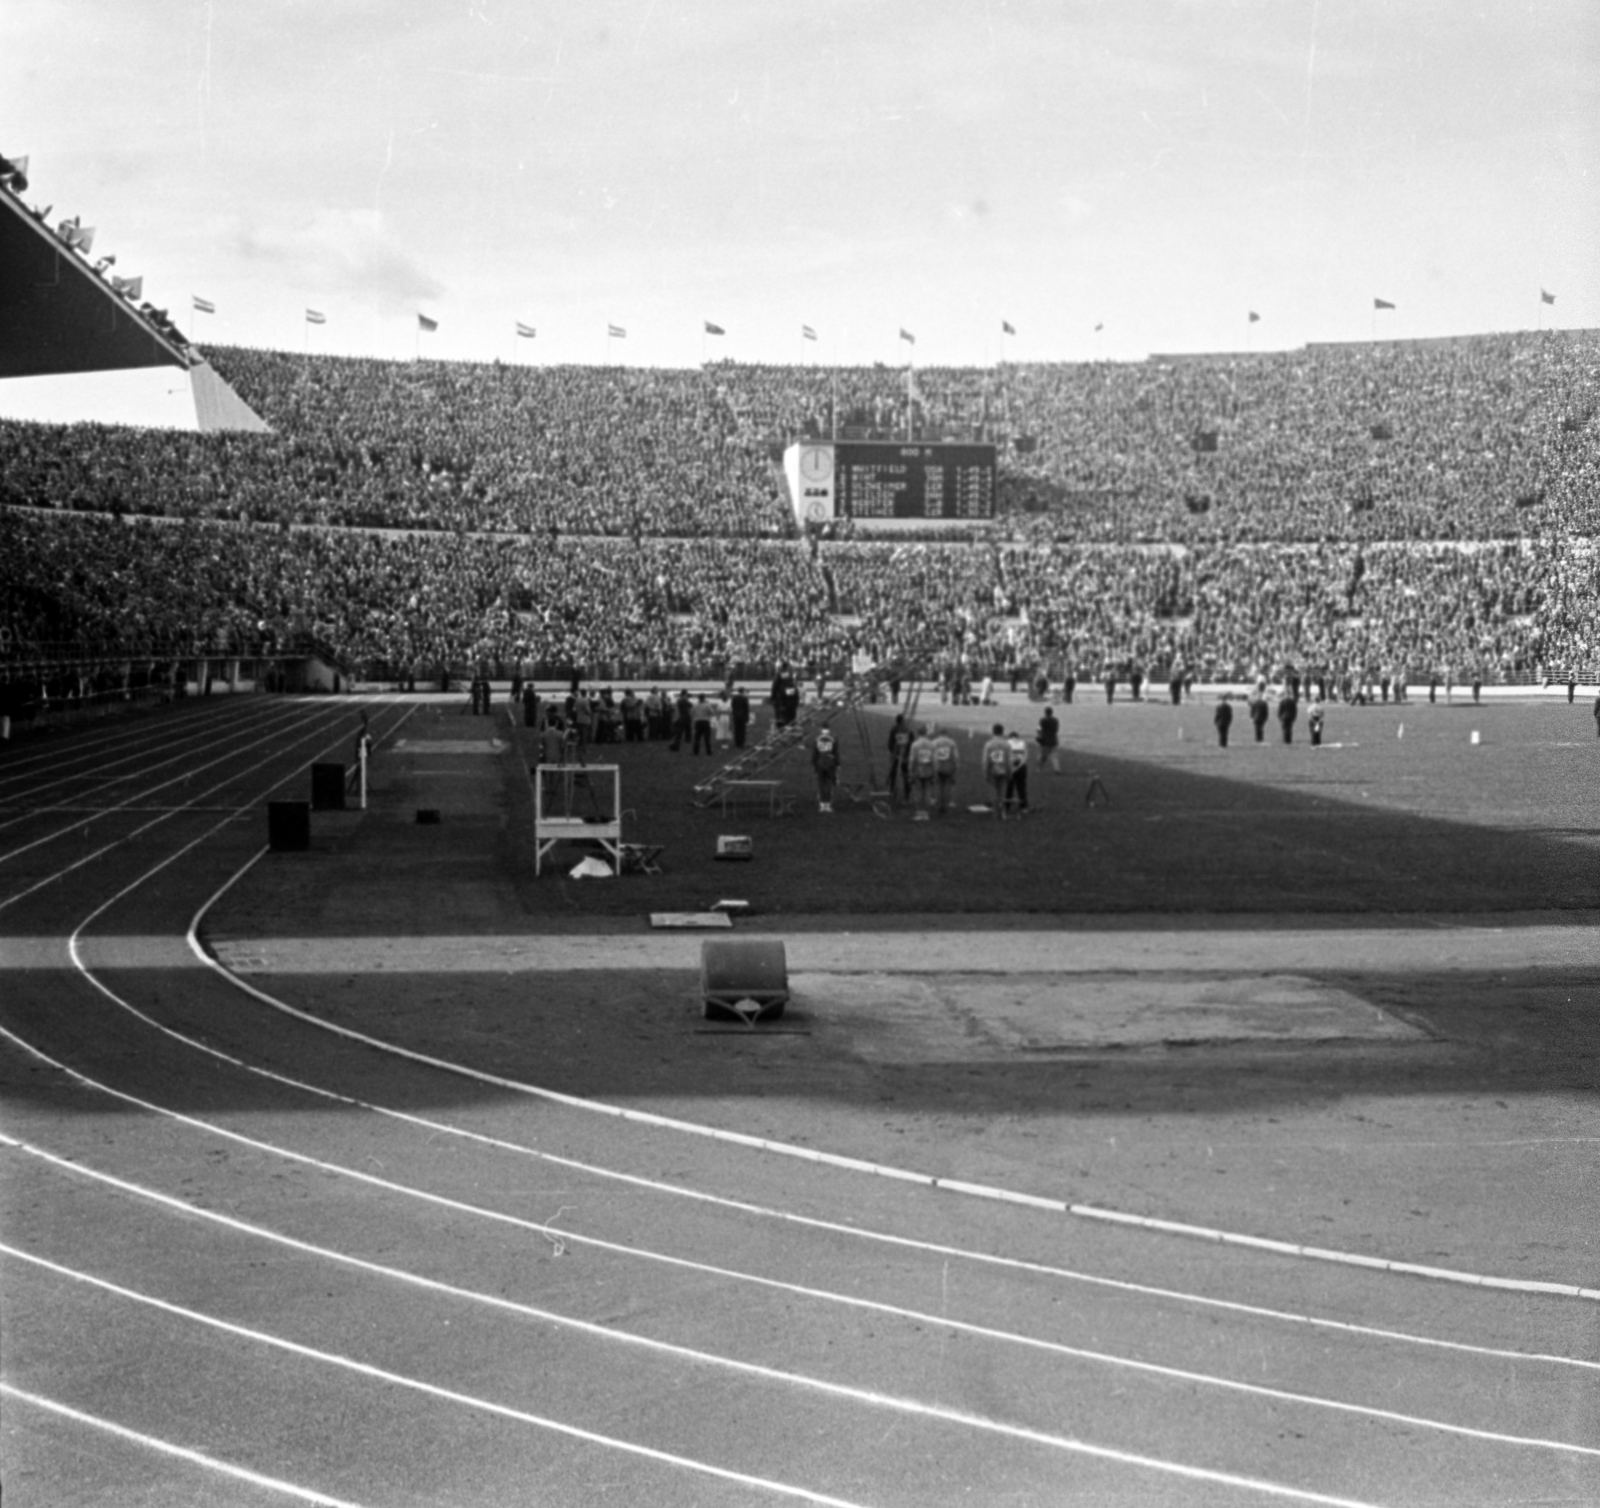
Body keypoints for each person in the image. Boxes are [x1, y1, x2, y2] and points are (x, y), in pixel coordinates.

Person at [908, 721, 937, 820]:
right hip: (929, 770)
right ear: (926, 732)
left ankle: (919, 813)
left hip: (918, 771)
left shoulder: (915, 745)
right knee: (927, 792)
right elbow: (934, 759)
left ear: (918, 733)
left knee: (918, 792)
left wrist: (910, 771)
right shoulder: (931, 744)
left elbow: (912, 760)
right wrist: (934, 771)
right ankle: (926, 813)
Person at [981, 723, 1012, 817]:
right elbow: (1009, 760)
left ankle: (995, 812)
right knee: (1002, 792)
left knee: (993, 791)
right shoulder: (1007, 744)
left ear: (993, 731)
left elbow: (985, 760)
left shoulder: (989, 744)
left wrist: (985, 772)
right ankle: (1002, 812)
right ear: (1002, 732)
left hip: (992, 770)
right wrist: (1009, 772)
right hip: (1003, 770)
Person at [930, 724, 960, 815]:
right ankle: (945, 805)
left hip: (937, 766)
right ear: (947, 733)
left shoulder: (934, 742)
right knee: (947, 786)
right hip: (948, 767)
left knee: (938, 786)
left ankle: (938, 804)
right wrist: (956, 767)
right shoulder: (951, 743)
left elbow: (931, 756)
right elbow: (956, 756)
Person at [811, 726, 840, 812]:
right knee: (829, 784)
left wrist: (814, 764)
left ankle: (822, 804)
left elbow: (814, 753)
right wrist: (838, 764)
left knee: (821, 784)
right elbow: (836, 752)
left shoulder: (817, 739)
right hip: (830, 762)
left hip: (820, 762)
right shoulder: (833, 739)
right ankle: (828, 804)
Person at [886, 713, 913, 801]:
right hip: (902, 756)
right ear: (901, 721)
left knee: (895, 773)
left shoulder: (894, 730)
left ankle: (892, 791)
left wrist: (894, 752)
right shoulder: (907, 730)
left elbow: (890, 743)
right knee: (904, 774)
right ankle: (906, 793)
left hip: (897, 755)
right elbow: (911, 743)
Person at [1005, 729, 1030, 816]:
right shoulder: (1023, 743)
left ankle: (1006, 806)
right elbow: (1025, 758)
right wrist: (1018, 767)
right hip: (1021, 768)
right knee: (1021, 788)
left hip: (1010, 767)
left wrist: (1012, 768)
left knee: (1009, 788)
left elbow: (1006, 757)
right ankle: (1024, 807)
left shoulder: (1007, 743)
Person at [1036, 705, 1061, 773]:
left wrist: (1038, 736)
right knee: (1054, 756)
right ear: (1052, 712)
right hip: (1053, 740)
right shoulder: (1055, 720)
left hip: (1044, 741)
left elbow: (1039, 729)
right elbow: (1056, 729)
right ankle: (1057, 769)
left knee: (1042, 756)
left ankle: (1039, 769)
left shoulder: (1043, 720)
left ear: (1045, 712)